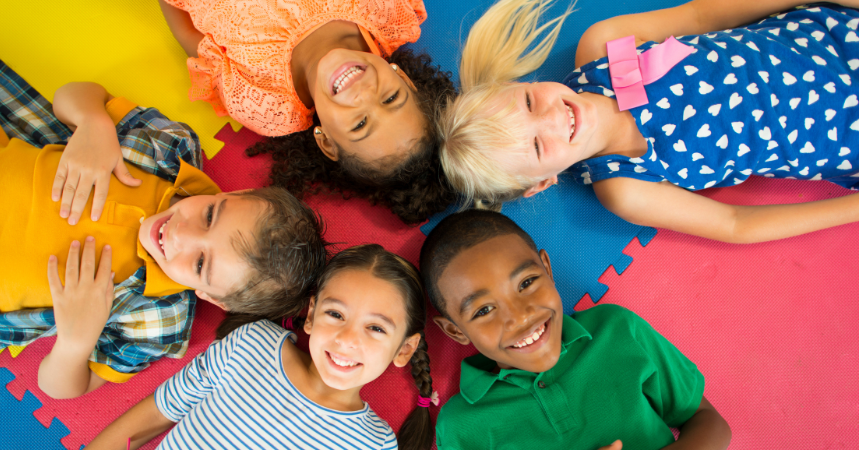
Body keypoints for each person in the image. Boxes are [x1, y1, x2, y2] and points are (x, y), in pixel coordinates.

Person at [0, 60, 327, 399]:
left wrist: (74, 341)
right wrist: (92, 122)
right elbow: (70, 96)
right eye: (210, 216)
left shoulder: (157, 320)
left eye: (201, 263)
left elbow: (61, 388)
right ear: (235, 194)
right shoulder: (169, 151)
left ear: (211, 298)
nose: (180, 234)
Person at [439, 0, 859, 243]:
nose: (553, 117)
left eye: (529, 102)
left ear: (521, 83)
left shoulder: (601, 47)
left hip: (835, 35)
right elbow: (736, 224)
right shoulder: (626, 188)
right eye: (536, 146)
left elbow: (702, 17)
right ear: (542, 183)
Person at [419, 209, 731, 450]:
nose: (520, 317)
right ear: (455, 331)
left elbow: (709, 422)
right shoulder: (460, 426)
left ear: (547, 268)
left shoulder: (616, 330)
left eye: (526, 283)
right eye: (484, 310)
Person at [87, 244, 435, 450]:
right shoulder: (252, 345)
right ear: (311, 315)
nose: (347, 339)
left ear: (403, 350)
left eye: (375, 328)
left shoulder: (373, 444)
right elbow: (155, 414)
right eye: (336, 314)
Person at [159, 0, 457, 224]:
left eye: (361, 123)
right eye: (391, 98)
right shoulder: (386, 10)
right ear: (403, 78)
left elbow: (187, 32)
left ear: (326, 140)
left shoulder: (260, 101)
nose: (363, 94)